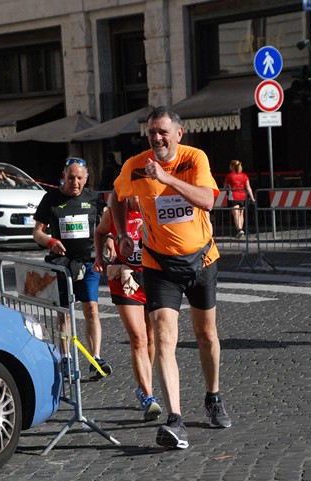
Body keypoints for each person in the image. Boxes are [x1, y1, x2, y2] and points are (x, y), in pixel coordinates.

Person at [111, 105, 231, 450]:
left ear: (179, 133)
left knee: (206, 335)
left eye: (163, 132)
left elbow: (208, 200)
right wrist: (122, 233)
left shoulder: (195, 159)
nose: (158, 138)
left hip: (202, 260)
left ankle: (213, 396)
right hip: (159, 264)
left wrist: (166, 179)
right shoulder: (134, 166)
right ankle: (175, 420)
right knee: (164, 338)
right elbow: (116, 196)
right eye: (152, 133)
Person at [33, 156, 112, 380]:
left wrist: (109, 241)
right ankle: (66, 357)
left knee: (92, 309)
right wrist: (49, 242)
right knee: (65, 315)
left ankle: (95, 358)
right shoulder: (51, 198)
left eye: (79, 178)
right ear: (63, 177)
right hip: (62, 264)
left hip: (88, 262)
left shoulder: (94, 199)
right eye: (70, 177)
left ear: (86, 179)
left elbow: (105, 227)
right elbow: (37, 232)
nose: (75, 182)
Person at [93, 196, 162, 421]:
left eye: (139, 193)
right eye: (132, 194)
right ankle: (149, 396)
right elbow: (100, 232)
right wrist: (100, 257)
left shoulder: (153, 209)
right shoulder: (114, 213)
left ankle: (144, 386)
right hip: (124, 280)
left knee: (151, 338)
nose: (137, 198)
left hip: (152, 278)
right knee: (138, 338)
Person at [223, 159, 255, 239]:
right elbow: (248, 187)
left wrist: (224, 196)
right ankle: (241, 229)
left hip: (233, 196)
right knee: (241, 213)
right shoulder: (244, 176)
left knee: (235, 213)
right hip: (243, 196)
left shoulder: (229, 176)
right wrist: (252, 197)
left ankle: (239, 230)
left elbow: (225, 188)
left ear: (232, 166)